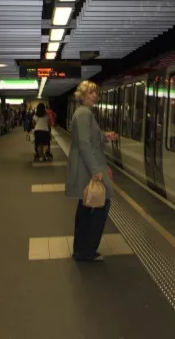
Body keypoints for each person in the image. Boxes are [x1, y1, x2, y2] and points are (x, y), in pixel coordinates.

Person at [66, 81, 114, 261]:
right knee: (101, 203)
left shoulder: (82, 113)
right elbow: (85, 144)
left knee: (86, 207)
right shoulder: (84, 114)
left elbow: (90, 138)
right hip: (88, 168)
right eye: (92, 92)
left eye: (96, 92)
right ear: (84, 94)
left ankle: (81, 250)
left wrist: (104, 136)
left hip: (85, 165)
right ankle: (87, 250)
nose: (95, 95)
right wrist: (96, 170)